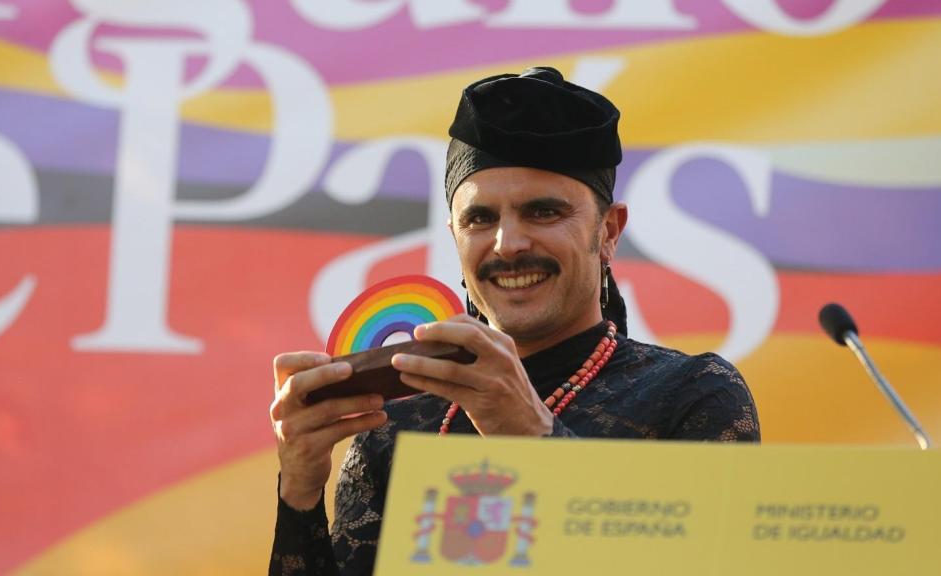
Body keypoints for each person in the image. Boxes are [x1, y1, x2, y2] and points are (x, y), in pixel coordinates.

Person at [268, 67, 760, 575]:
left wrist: (529, 434)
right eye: (480, 219)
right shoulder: (400, 420)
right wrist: (299, 490)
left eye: (543, 212)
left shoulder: (693, 394)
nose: (508, 244)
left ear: (608, 232)